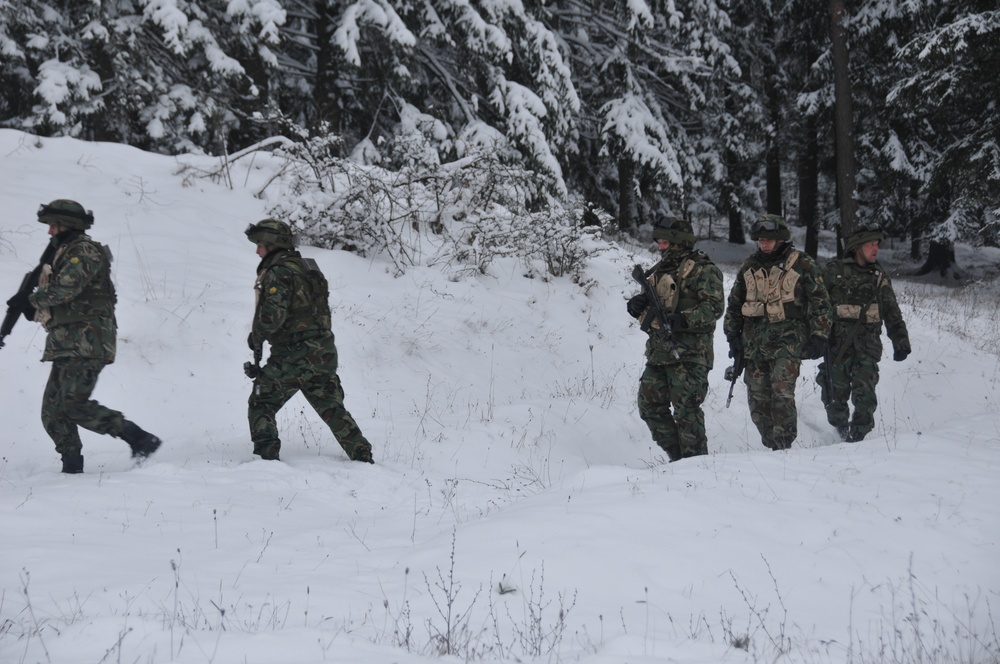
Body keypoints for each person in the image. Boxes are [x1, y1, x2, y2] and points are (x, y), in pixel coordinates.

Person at [19, 199, 161, 473]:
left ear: (67, 225)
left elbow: (65, 289)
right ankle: (72, 466)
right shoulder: (64, 251)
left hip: (87, 341)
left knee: (73, 405)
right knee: (53, 412)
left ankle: (139, 438)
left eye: (53, 225)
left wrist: (31, 299)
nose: (50, 232)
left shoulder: (84, 251)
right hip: (66, 342)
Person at [245, 219, 374, 463]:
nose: (257, 251)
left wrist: (258, 334)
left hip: (293, 355)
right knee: (331, 407)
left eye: (260, 245)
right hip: (323, 352)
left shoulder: (278, 273)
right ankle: (361, 453)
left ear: (273, 245)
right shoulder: (309, 268)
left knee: (262, 403)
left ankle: (266, 458)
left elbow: (274, 316)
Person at [723, 214, 831, 451]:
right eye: (761, 239)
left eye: (770, 239)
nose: (765, 244)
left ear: (781, 239)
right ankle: (772, 446)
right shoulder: (749, 267)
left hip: (788, 346)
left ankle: (783, 448)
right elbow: (734, 305)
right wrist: (732, 337)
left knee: (782, 396)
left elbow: (820, 303)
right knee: (757, 401)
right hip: (754, 347)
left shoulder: (803, 264)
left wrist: (819, 335)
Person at [626, 216, 724, 461]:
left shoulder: (703, 269)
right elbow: (652, 310)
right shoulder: (657, 272)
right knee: (649, 406)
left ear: (678, 242)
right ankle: (678, 456)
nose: (660, 247)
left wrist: (684, 319)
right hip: (659, 352)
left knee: (687, 410)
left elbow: (714, 308)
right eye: (659, 242)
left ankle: (696, 463)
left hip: (691, 354)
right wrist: (637, 306)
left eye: (665, 243)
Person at [817, 225, 911, 442]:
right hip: (836, 348)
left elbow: (892, 312)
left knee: (865, 397)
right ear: (857, 247)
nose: (875, 248)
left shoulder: (878, 277)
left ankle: (858, 439)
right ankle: (840, 430)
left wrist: (901, 341)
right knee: (834, 397)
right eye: (870, 244)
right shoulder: (833, 272)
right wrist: (814, 337)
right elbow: (816, 305)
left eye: (877, 244)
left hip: (867, 350)